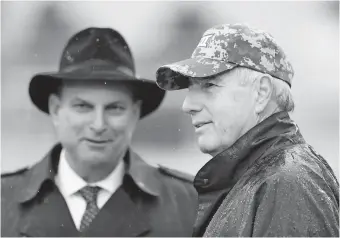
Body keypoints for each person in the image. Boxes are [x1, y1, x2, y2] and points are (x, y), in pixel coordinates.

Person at [1, 27, 198, 237]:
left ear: (134, 113)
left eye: (114, 108)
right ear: (56, 109)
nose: (98, 124)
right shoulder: (4, 201)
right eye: (83, 107)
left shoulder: (187, 204)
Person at [156, 23, 339, 237]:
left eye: (209, 86)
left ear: (261, 92)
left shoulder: (286, 183)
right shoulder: (260, 179)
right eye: (191, 88)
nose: (187, 105)